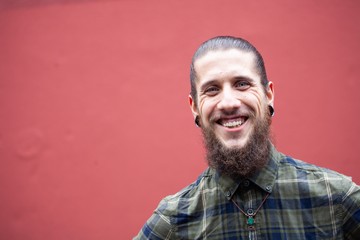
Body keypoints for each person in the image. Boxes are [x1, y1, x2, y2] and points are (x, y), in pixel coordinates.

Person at [134, 36, 360, 239]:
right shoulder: (174, 219)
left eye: (242, 84)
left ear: (268, 95)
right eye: (212, 89)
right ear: (194, 108)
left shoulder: (336, 197)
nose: (229, 102)